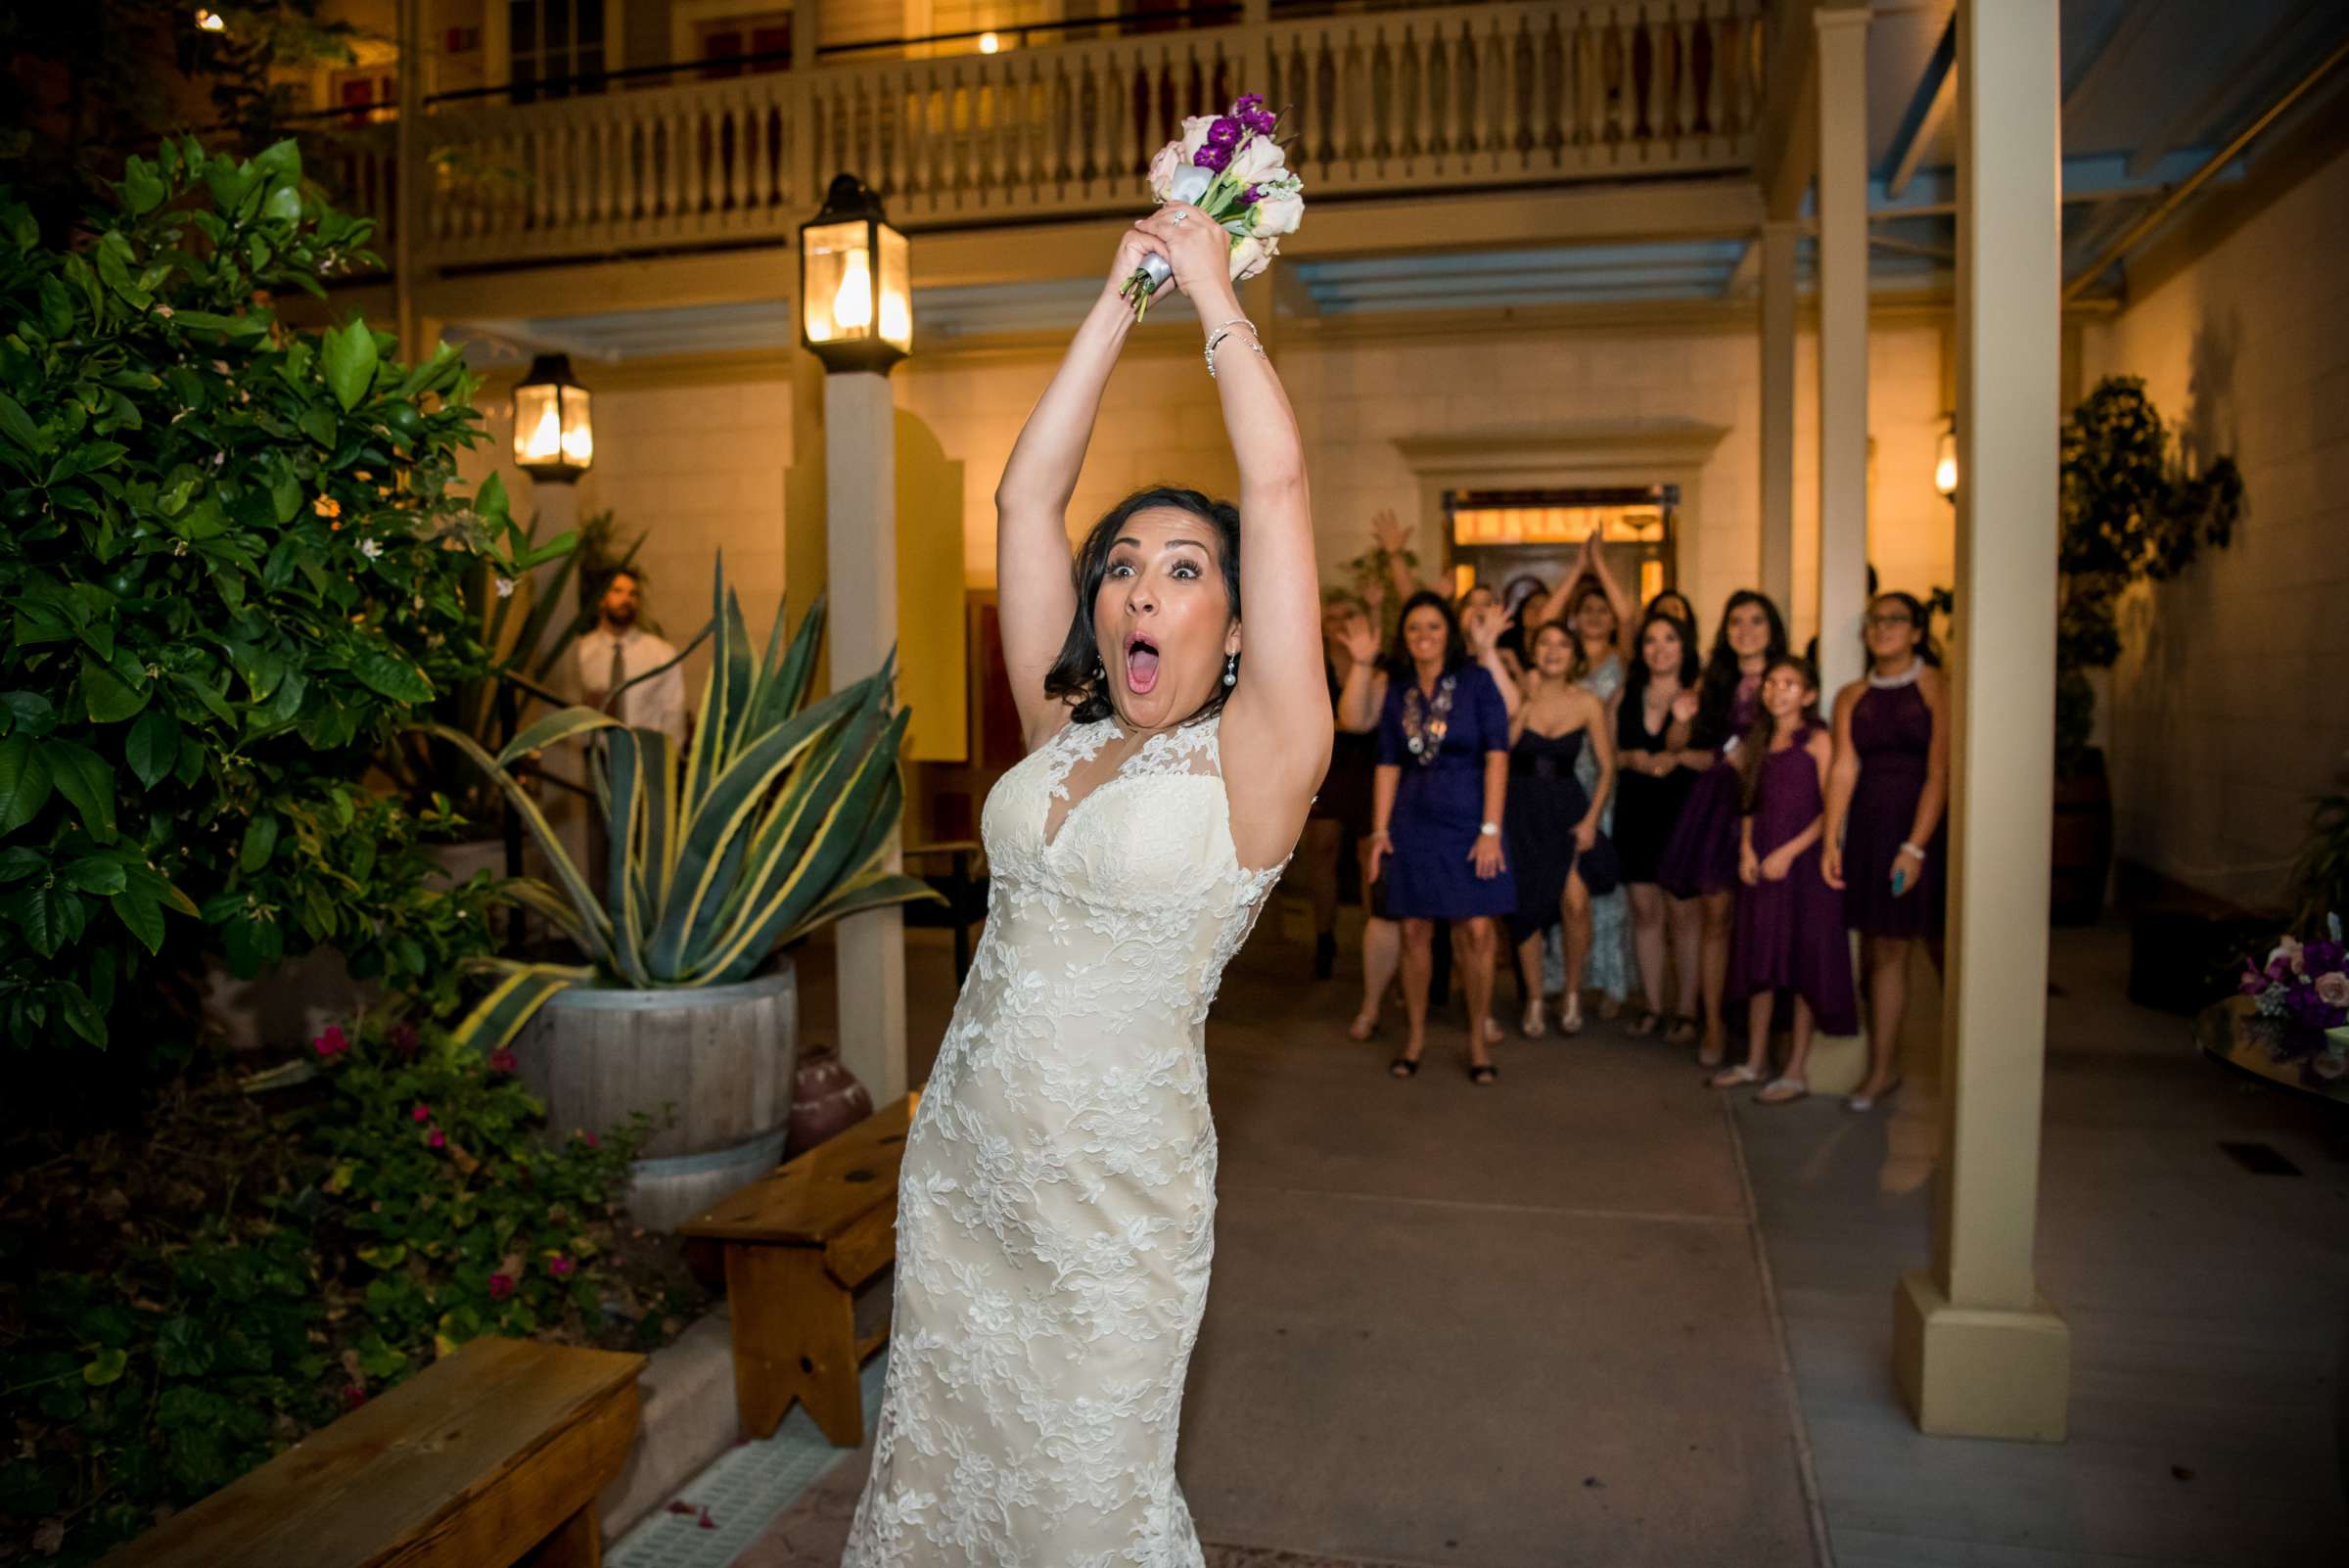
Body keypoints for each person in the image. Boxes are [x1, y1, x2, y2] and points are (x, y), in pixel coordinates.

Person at [843, 201, 1329, 1561]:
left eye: (1183, 572)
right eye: (1124, 569)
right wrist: (1121, 292)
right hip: (966, 1172)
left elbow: (1279, 491)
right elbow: (1021, 500)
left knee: (1080, 1507)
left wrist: (1218, 294)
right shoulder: (1064, 734)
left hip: (1117, 1210)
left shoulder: (1262, 760)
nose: (1138, 593)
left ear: (1235, 627)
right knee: (945, 1481)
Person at [1364, 590, 1517, 1084]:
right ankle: (1414, 1037)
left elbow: (1498, 754)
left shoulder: (1476, 682)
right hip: (1414, 822)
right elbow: (1386, 762)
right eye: (1414, 628)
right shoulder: (1398, 688)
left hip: (1473, 821)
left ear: (1448, 633)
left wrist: (1491, 829)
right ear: (1403, 638)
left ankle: (1477, 1040)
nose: (1423, 636)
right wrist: (1381, 830)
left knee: (1476, 932)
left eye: (1433, 626)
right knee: (1413, 931)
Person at [1822, 591, 1950, 1112]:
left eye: (1895, 620)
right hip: (1871, 828)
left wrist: (1916, 848)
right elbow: (1843, 768)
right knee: (1884, 949)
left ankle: (1971, 1060)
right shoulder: (1851, 696)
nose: (1883, 629)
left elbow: (1940, 771)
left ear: (1917, 631)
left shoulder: (1937, 687)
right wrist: (1832, 835)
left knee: (1943, 945)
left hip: (1924, 826)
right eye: (1875, 621)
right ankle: (1881, 1070)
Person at [1712, 657, 1857, 1103]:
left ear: (1809, 695)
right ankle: (1755, 1061)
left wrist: (1791, 853)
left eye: (1789, 684)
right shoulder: (1758, 741)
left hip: (1804, 864)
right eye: (1772, 683)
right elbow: (1750, 802)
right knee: (1761, 961)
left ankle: (1795, 1070)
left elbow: (1830, 809)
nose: (1777, 691)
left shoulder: (1817, 739)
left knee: (1802, 961)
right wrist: (1747, 849)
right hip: (1762, 861)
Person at [1657, 591, 1789, 1067]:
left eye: (1756, 620)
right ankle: (1711, 1024)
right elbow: (1675, 747)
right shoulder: (1713, 679)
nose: (1746, 630)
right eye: (1736, 621)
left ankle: (1762, 1030)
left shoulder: (1786, 678)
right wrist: (1680, 718)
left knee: (1763, 920)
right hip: (1716, 806)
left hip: (1770, 806)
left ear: (1772, 628)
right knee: (1715, 917)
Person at [1505, 622, 1616, 1037]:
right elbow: (1502, 749)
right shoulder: (1518, 696)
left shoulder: (1588, 702)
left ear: (1574, 654)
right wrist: (1524, 703)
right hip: (1521, 811)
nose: (1553, 651)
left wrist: (1591, 821)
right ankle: (1535, 998)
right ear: (1534, 651)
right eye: (1545, 643)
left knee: (1575, 902)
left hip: (1567, 810)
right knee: (1527, 907)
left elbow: (1607, 767)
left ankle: (1570, 992)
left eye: (1562, 644)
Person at [1551, 537, 1638, 1018]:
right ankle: (1568, 978)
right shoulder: (1562, 659)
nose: (1596, 616)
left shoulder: (1621, 662)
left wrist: (1601, 565)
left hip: (1605, 783)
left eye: (1602, 610)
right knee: (1565, 882)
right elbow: (1547, 620)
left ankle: (1610, 981)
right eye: (1587, 610)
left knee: (1604, 881)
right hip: (1564, 779)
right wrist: (1576, 569)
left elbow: (1628, 619)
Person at [1615, 610, 1708, 1043]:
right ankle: (1653, 1006)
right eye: (1650, 640)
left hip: (1683, 810)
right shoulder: (1624, 694)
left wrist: (1677, 756)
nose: (1659, 648)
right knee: (1644, 909)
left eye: (1669, 639)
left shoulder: (1702, 694)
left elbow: (1717, 758)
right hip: (1636, 808)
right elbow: (1605, 752)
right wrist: (1630, 759)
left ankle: (1687, 1010)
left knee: (1684, 914)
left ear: (1684, 646)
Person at [1297, 588, 1381, 979]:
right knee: (1322, 850)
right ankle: (1324, 937)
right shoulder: (1310, 664)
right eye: (1331, 617)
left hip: (1366, 764)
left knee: (1370, 855)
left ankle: (1376, 939)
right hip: (1325, 764)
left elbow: (1363, 721)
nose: (1340, 623)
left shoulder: (1373, 662)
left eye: (1348, 614)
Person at [575, 568, 687, 745]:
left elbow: (673, 713)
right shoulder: (580, 652)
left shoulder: (661, 654)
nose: (626, 599)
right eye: (617, 591)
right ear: (601, 599)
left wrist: (669, 761)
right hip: (591, 756)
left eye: (633, 594)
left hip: (643, 756)